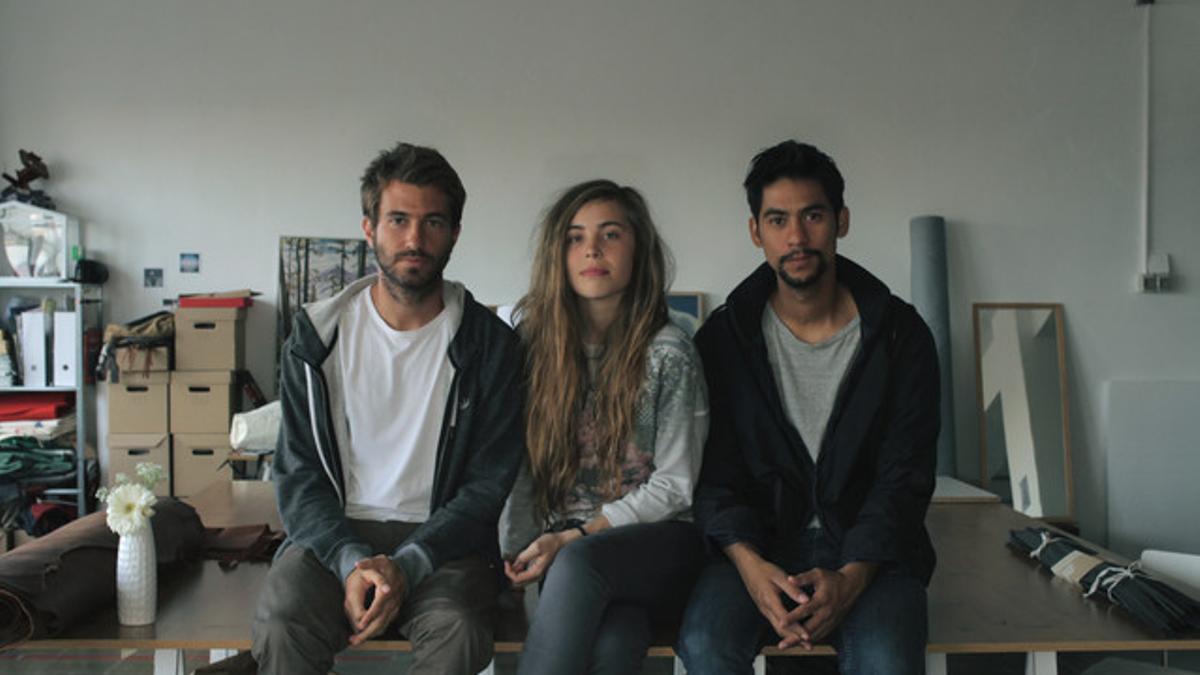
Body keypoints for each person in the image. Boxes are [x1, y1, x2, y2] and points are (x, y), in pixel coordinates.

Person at [252, 142, 524, 675]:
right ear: (369, 227)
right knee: (283, 620)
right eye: (398, 219)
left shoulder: (490, 345)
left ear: (455, 234)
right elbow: (298, 475)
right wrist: (352, 561)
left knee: (461, 630)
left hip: (443, 541)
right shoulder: (316, 339)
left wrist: (410, 563)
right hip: (333, 535)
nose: (414, 240)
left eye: (433, 222)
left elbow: (489, 483)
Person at [676, 141, 940, 674]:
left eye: (812, 216)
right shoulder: (724, 341)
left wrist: (852, 576)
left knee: (887, 660)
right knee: (704, 644)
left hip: (873, 555)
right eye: (777, 220)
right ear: (756, 231)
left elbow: (905, 475)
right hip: (758, 548)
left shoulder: (899, 335)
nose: (796, 237)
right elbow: (714, 476)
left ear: (840, 221)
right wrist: (751, 568)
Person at [501, 180, 708, 675]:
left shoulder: (669, 352)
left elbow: (676, 486)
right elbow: (520, 467)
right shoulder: (531, 346)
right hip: (564, 559)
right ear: (558, 253)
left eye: (610, 234)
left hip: (656, 547)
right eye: (574, 237)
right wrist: (515, 549)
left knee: (579, 564)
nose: (591, 248)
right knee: (614, 647)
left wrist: (576, 537)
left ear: (639, 248)